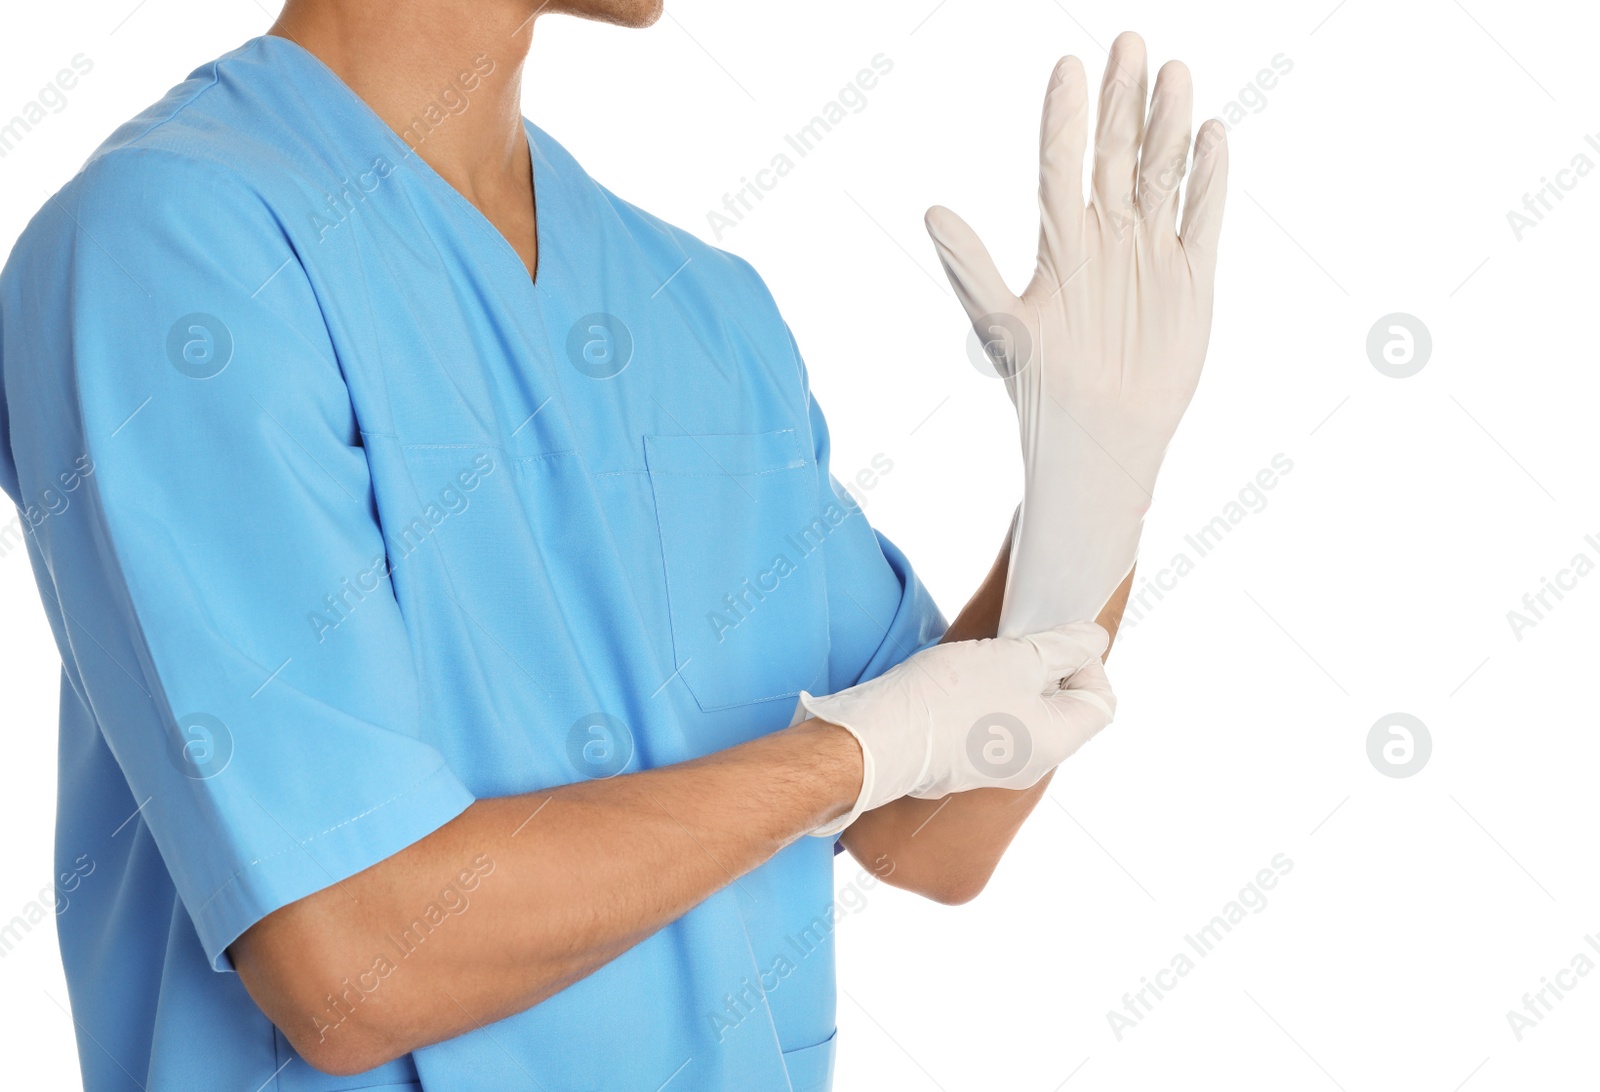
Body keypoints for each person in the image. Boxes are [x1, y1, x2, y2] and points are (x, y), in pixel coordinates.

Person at [0, 0, 1224, 1086]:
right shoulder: (177, 248)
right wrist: (840, 762)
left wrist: (1091, 493)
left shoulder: (697, 307)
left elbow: (932, 832)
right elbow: (355, 956)